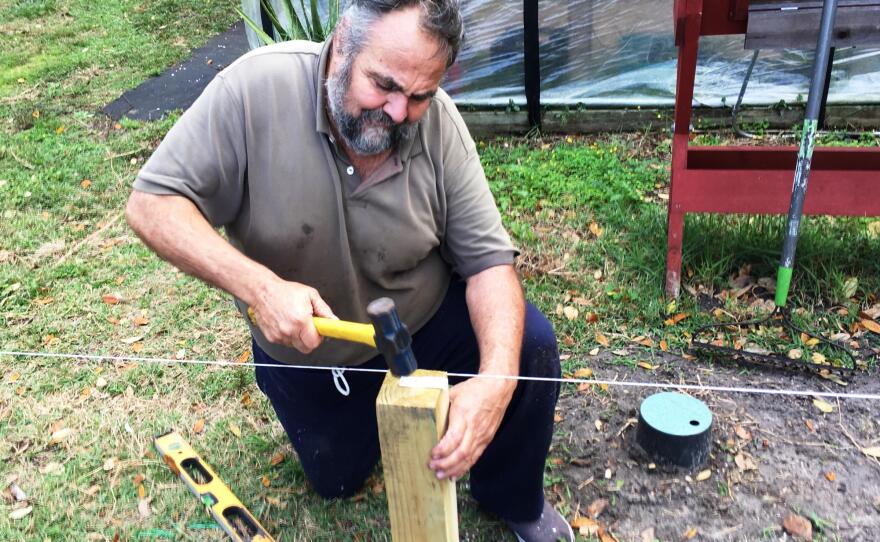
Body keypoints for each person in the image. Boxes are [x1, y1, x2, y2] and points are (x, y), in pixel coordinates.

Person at [125, 1, 572, 540]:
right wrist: (260, 288)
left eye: (420, 95)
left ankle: (513, 497)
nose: (398, 111)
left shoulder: (438, 125)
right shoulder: (253, 91)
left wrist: (496, 382)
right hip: (313, 352)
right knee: (335, 479)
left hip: (422, 327)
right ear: (342, 43)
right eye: (383, 84)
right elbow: (152, 205)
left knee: (529, 348)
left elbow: (488, 265)